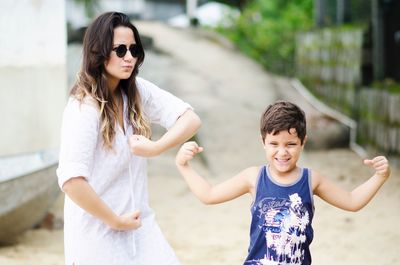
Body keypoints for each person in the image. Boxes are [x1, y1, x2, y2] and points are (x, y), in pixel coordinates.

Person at [56, 12, 201, 265]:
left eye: (134, 49)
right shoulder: (83, 108)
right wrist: (114, 220)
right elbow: (71, 181)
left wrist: (155, 148)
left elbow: (190, 119)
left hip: (141, 227)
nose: (129, 57)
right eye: (120, 50)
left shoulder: (136, 91)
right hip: (97, 236)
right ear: (98, 52)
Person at [175, 100, 390, 265]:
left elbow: (352, 201)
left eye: (290, 144)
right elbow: (209, 194)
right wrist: (184, 166)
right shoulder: (254, 178)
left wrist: (380, 177)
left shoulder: (311, 179)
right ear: (263, 142)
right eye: (274, 144)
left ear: (303, 142)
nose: (282, 152)